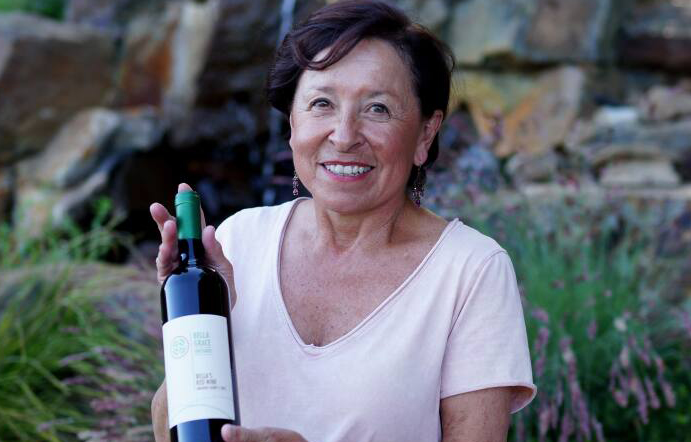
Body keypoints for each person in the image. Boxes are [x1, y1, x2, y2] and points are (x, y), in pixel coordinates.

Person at [149, 1, 535, 441]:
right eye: (321, 103)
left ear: (426, 134)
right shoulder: (237, 240)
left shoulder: (470, 271)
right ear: (292, 123)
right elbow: (171, 432)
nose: (345, 135)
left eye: (377, 109)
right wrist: (194, 318)